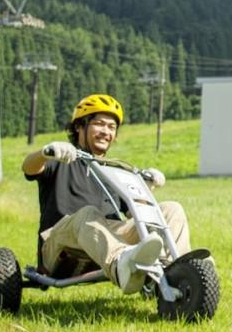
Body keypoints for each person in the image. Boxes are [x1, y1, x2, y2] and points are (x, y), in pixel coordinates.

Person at [21, 93, 191, 294]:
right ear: (79, 126)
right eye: (99, 124)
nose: (106, 132)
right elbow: (29, 168)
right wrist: (44, 153)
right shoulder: (61, 158)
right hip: (60, 242)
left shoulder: (114, 171)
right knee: (88, 213)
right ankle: (121, 266)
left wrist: (146, 188)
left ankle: (179, 274)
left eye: (111, 127)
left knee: (171, 209)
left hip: (110, 238)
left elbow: (136, 215)